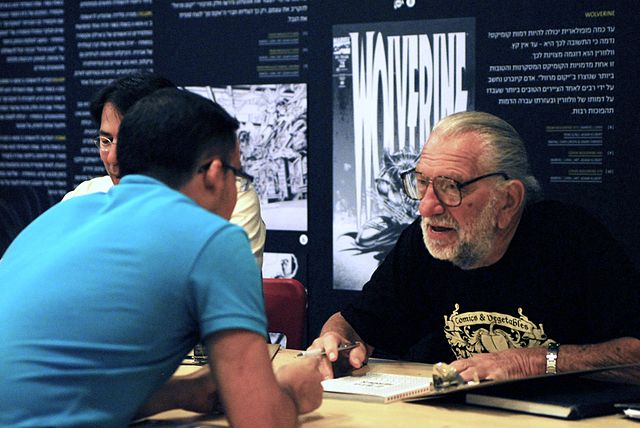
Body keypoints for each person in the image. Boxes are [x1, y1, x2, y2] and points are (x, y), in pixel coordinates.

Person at [0, 88, 323, 426]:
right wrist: (292, 391)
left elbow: (60, 392)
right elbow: (260, 421)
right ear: (215, 173)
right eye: (237, 174)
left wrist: (184, 392)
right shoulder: (215, 240)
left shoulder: (63, 215)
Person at [311, 111, 640, 382]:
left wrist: (532, 363)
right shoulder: (424, 242)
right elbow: (354, 324)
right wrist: (336, 343)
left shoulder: (572, 239)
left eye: (450, 187)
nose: (426, 207)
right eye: (422, 183)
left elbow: (634, 356)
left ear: (507, 201)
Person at [62, 72, 267, 266]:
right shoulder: (84, 197)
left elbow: (224, 286)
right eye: (106, 140)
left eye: (128, 140)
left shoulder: (226, 194)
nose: (113, 157)